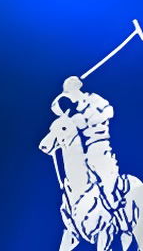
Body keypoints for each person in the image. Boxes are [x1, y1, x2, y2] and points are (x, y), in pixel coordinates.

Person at [51, 76, 132, 242]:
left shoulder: (95, 100)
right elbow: (63, 119)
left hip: (100, 147)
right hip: (85, 151)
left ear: (77, 89)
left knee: (106, 182)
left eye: (70, 93)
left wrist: (86, 114)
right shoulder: (77, 110)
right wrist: (57, 106)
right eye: (68, 95)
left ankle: (122, 220)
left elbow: (109, 111)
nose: (71, 98)